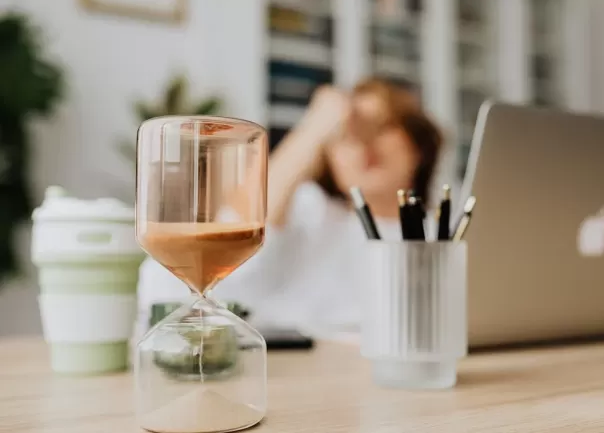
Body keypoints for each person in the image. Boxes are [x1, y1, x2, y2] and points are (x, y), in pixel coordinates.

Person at [138, 78, 444, 337]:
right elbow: (232, 232)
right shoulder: (311, 209)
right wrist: (316, 126)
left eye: (381, 126)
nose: (364, 144)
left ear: (418, 143)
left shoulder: (446, 230)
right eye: (347, 135)